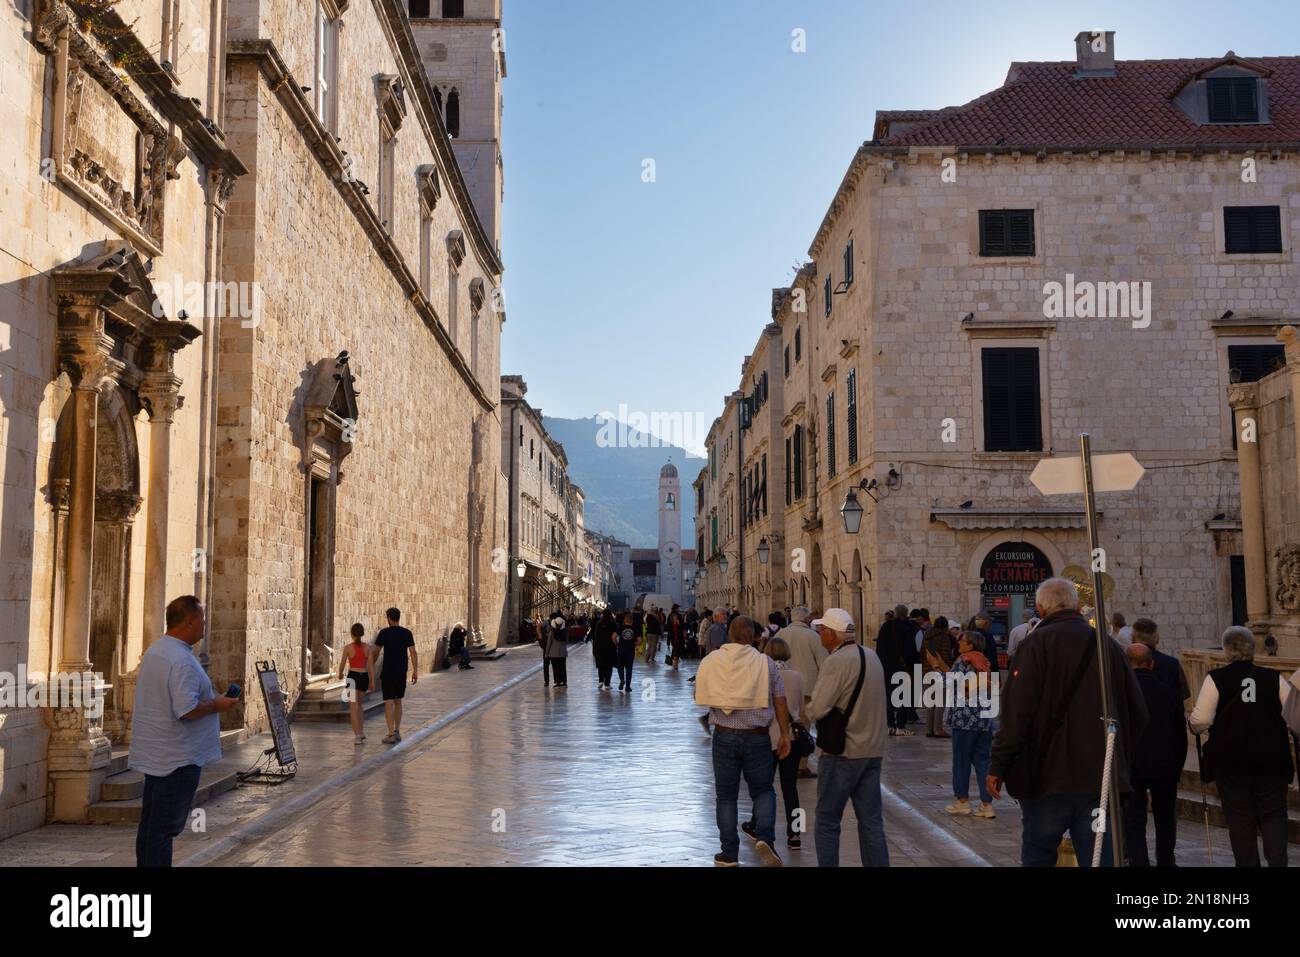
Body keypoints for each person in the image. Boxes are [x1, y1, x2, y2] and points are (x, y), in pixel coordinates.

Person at [988, 578, 1147, 867]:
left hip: (1048, 777)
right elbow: (1137, 712)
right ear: (1076, 606)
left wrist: (998, 764)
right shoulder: (1109, 647)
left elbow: (1016, 713)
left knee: (1039, 854)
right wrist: (1117, 759)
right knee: (1100, 857)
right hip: (1099, 779)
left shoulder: (1034, 645)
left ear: (1039, 608)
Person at [130, 596, 235, 867]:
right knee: (164, 828)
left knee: (152, 826)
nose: (204, 626)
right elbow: (186, 708)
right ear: (188, 622)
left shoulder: (156, 651)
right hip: (178, 758)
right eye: (201, 620)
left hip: (158, 754)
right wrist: (218, 704)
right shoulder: (181, 660)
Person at [1188, 626, 1294, 867]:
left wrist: (1192, 724)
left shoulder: (1216, 679)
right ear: (1252, 648)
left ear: (1226, 651)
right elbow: (1295, 717)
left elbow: (1201, 720)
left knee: (1239, 819)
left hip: (1231, 763)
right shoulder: (1273, 678)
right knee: (1274, 815)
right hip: (1271, 761)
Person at [694, 615, 791, 867]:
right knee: (763, 790)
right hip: (757, 737)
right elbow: (780, 699)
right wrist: (784, 733)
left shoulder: (711, 660)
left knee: (726, 796)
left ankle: (728, 853)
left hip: (724, 735)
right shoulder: (766, 663)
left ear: (729, 634)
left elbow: (699, 691)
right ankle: (766, 839)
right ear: (752, 637)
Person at [808, 608, 889, 867]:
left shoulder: (836, 661)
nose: (819, 634)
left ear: (832, 634)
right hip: (872, 750)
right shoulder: (872, 656)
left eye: (822, 630)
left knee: (827, 820)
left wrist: (807, 710)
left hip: (842, 752)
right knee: (871, 822)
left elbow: (819, 708)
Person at [1122, 642, 1186, 867]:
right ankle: (1166, 861)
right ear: (1151, 663)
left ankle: (1139, 862)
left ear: (1127, 665)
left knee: (1134, 819)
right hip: (1165, 765)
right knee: (1165, 818)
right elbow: (1180, 731)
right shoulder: (1168, 691)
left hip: (1133, 766)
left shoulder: (1121, 694)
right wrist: (1177, 765)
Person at [742, 637, 805, 851]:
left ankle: (755, 824)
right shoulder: (797, 676)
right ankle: (795, 833)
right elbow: (800, 709)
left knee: (763, 787)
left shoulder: (761, 675)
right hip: (792, 738)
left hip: (767, 738)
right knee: (791, 789)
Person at [944, 630, 997, 818]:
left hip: (964, 719)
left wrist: (939, 671)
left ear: (971, 644)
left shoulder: (963, 660)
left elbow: (951, 682)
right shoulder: (984, 661)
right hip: (983, 719)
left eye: (962, 640)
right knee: (982, 761)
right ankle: (986, 804)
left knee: (961, 761)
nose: (959, 643)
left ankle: (962, 801)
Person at [373, 607, 417, 744]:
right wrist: (415, 670)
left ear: (389, 618)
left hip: (388, 672)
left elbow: (376, 652)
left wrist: (370, 668)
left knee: (388, 702)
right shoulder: (407, 633)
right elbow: (413, 652)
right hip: (401, 672)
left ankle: (390, 733)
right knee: (398, 701)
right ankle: (397, 730)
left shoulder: (384, 633)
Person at [1130, 618, 1190, 705]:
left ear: (1133, 639)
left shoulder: (1127, 664)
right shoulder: (1173, 663)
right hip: (1170, 716)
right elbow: (1184, 694)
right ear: (1156, 638)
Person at [875, 603, 912, 736]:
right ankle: (900, 725)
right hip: (900, 666)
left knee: (888, 694)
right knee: (902, 696)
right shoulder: (906, 628)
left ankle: (890, 724)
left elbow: (879, 646)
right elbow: (909, 650)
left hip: (885, 666)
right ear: (905, 614)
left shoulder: (885, 626)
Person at [337, 622, 376, 744]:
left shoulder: (348, 648)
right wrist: (372, 682)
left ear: (352, 634)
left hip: (352, 678)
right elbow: (370, 667)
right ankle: (361, 730)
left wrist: (340, 674)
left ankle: (357, 735)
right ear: (362, 634)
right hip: (364, 677)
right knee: (359, 705)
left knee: (353, 706)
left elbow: (342, 665)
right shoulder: (368, 648)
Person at [920, 616, 955, 738]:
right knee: (940, 701)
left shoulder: (926, 636)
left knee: (930, 702)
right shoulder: (943, 637)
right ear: (945, 627)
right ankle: (938, 729)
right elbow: (945, 656)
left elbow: (922, 655)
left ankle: (929, 729)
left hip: (927, 671)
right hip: (939, 672)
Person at [593, 608, 618, 689]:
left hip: (600, 647)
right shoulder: (613, 624)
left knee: (601, 665)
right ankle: (607, 683)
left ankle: (600, 681)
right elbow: (615, 636)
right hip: (610, 648)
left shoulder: (599, 623)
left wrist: (595, 648)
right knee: (609, 666)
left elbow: (596, 637)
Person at [545, 610, 569, 687]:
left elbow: (549, 643)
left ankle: (557, 682)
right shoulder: (564, 632)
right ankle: (564, 682)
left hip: (553, 653)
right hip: (563, 652)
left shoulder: (552, 632)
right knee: (563, 667)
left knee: (555, 668)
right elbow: (567, 641)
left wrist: (546, 653)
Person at [616, 612, 638, 692]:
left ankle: (622, 680)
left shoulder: (621, 627)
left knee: (620, 666)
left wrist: (617, 643)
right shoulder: (634, 628)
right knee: (629, 668)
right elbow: (640, 640)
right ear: (631, 621)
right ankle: (628, 686)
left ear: (625, 620)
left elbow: (613, 637)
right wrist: (635, 644)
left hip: (621, 649)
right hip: (630, 650)